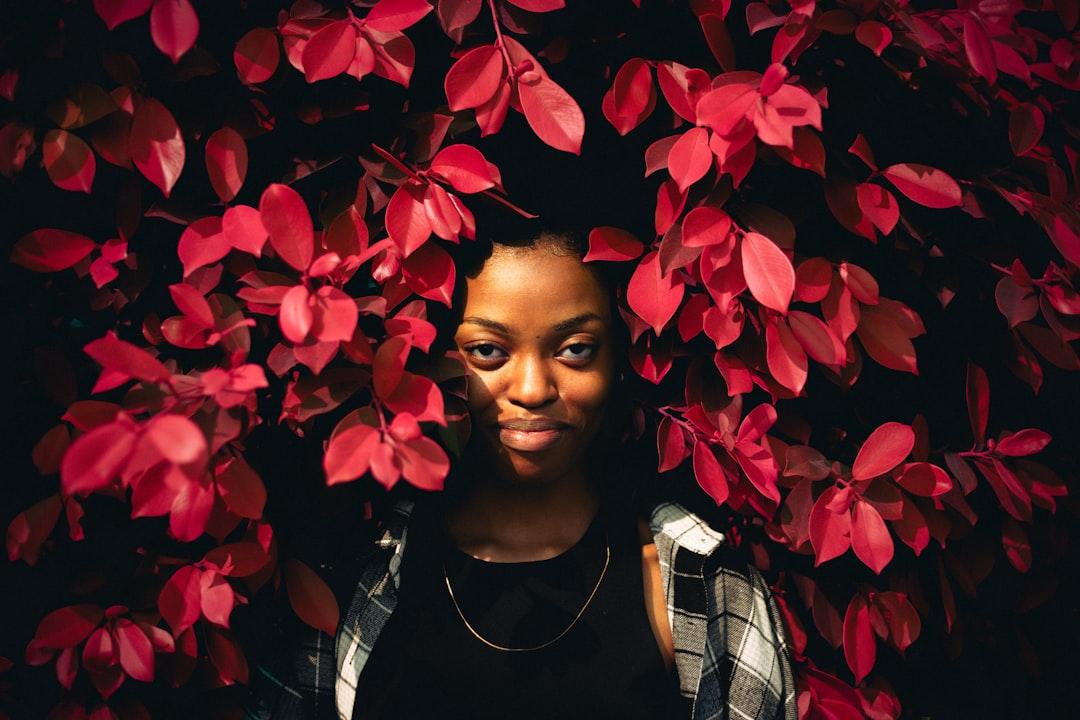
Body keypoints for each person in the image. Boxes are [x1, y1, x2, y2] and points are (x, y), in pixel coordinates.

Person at [243, 218, 797, 720]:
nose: (532, 390)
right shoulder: (357, 573)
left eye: (576, 349)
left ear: (616, 364)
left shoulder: (697, 583)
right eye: (487, 352)